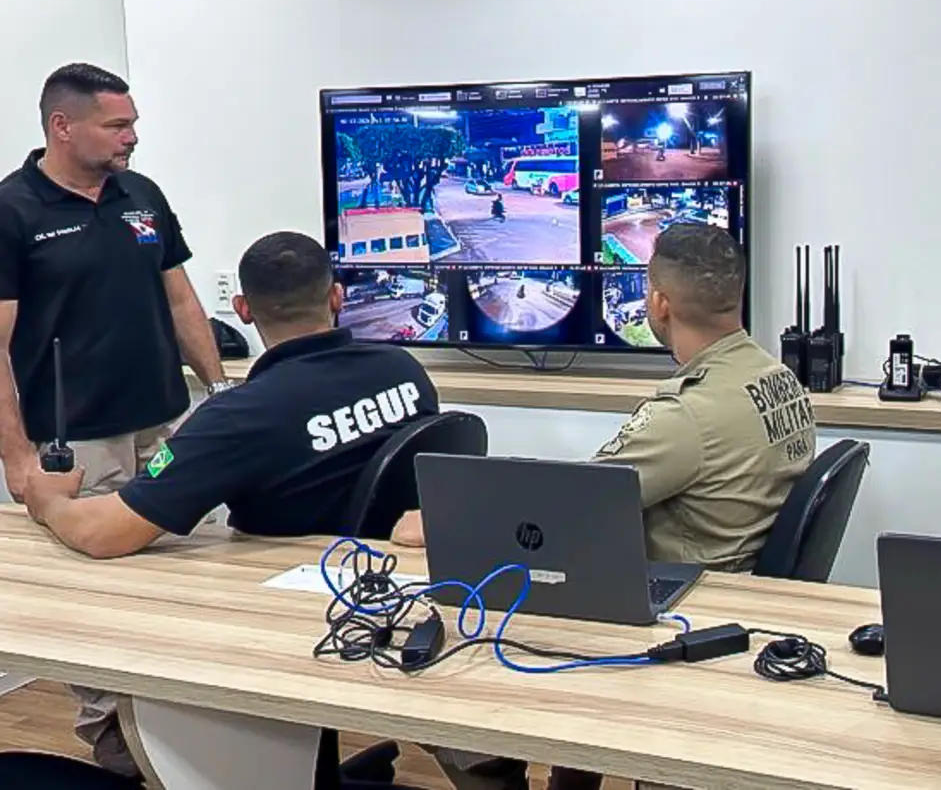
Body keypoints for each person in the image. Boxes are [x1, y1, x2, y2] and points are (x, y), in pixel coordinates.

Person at [392, 223, 815, 790]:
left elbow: (576, 505)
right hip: (729, 593)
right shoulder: (777, 376)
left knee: (447, 661)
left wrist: (448, 523)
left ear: (659, 303)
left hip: (673, 606)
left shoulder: (686, 414)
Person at [22, 230, 439, 775]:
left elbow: (106, 534)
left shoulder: (240, 417)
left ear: (242, 309)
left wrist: (50, 502)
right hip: (393, 600)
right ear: (336, 296)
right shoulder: (403, 370)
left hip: (285, 621)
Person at [0, 62, 229, 770]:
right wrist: (17, 457)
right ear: (63, 127)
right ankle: (119, 742)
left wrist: (220, 392)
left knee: (195, 576)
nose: (132, 136)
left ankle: (204, 724)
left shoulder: (141, 194)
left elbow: (181, 298)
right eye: (117, 124)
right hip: (77, 444)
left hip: (164, 427)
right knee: (99, 603)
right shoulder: (12, 211)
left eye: (132, 123)